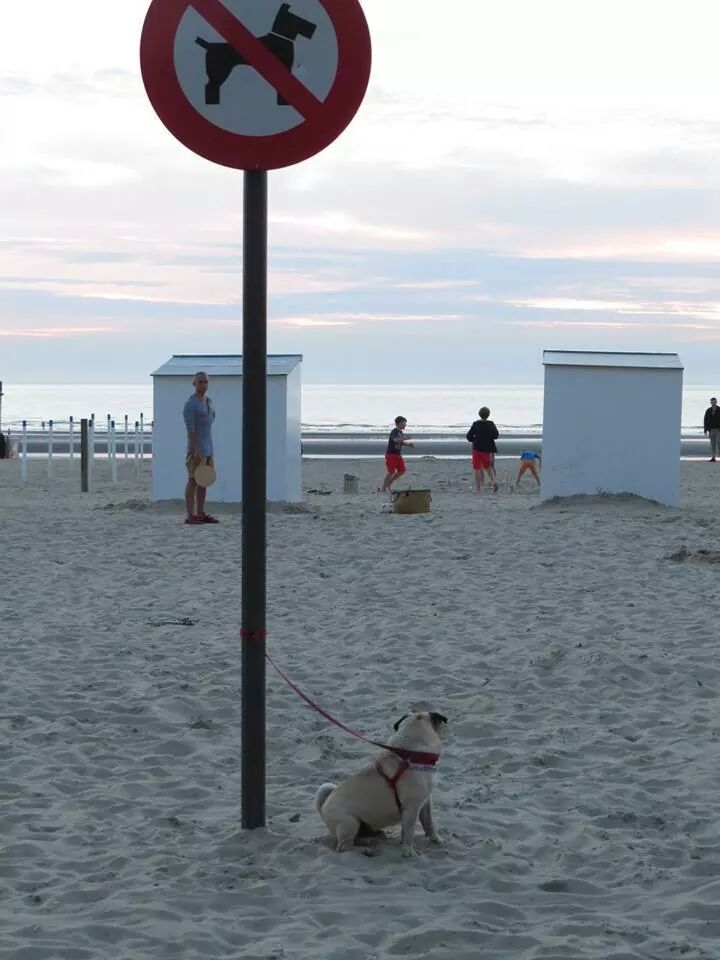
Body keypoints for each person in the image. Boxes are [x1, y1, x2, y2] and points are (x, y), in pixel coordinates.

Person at [183, 371, 218, 524]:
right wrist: (196, 449)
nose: (203, 385)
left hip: (208, 448)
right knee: (193, 480)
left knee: (204, 480)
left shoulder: (209, 402)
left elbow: (211, 421)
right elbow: (190, 430)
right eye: (200, 382)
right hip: (196, 450)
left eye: (205, 382)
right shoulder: (190, 404)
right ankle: (190, 515)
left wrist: (207, 450)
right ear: (194, 384)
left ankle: (201, 512)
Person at [466, 407, 499, 492]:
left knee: (477, 468)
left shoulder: (476, 424)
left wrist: (474, 440)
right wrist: (488, 438)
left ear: (479, 414)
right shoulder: (491, 424)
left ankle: (478, 488)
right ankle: (494, 481)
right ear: (488, 415)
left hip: (477, 448)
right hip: (487, 449)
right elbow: (496, 435)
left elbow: (468, 436)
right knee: (488, 466)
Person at [381, 416, 413, 491]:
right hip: (391, 454)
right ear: (399, 423)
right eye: (404, 423)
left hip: (398, 454)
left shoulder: (400, 432)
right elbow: (395, 440)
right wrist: (405, 438)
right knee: (391, 471)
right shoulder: (394, 431)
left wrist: (408, 444)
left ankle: (389, 483)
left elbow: (400, 442)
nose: (405, 425)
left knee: (402, 470)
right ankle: (383, 488)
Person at [704, 397, 720, 462]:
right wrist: (705, 429)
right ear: (710, 403)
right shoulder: (708, 410)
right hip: (711, 429)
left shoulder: (719, 409)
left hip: (719, 429)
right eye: (712, 402)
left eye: (714, 402)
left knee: (719, 442)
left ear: (716, 402)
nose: (713, 403)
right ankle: (713, 457)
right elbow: (705, 420)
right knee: (713, 444)